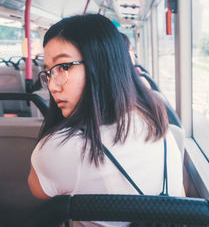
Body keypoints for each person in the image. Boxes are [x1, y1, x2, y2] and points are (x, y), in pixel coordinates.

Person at [28, 14, 183, 226]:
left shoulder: (62, 147)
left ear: (101, 65)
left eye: (63, 67)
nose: (53, 86)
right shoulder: (155, 119)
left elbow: (38, 191)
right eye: (48, 72)